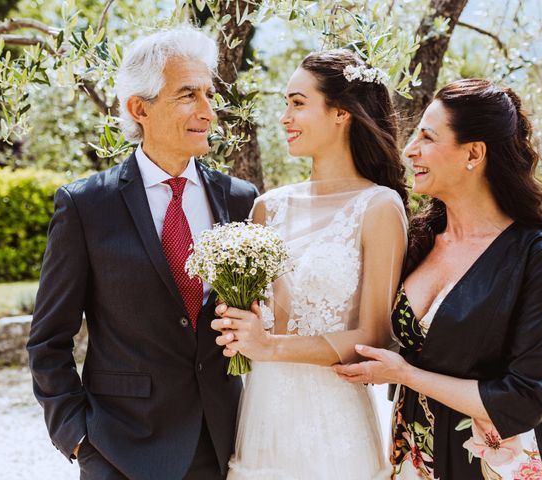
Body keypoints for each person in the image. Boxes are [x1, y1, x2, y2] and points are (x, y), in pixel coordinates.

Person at [27, 26, 258, 480]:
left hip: (226, 441)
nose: (208, 111)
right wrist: (76, 437)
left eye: (209, 94)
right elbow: (48, 340)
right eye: (188, 94)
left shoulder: (240, 199)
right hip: (120, 450)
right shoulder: (85, 206)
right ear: (139, 108)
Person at [335, 79, 542, 479]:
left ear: (473, 153)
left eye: (427, 137)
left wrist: (404, 374)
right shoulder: (416, 239)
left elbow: (524, 400)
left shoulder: (536, 258)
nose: (410, 149)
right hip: (417, 455)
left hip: (498, 463)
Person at [210, 49, 409, 479]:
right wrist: (237, 324)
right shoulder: (267, 208)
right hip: (262, 415)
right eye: (286, 103)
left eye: (298, 103)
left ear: (342, 113)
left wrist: (268, 347)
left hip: (333, 427)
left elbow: (376, 335)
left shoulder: (378, 206)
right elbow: (263, 318)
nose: (284, 116)